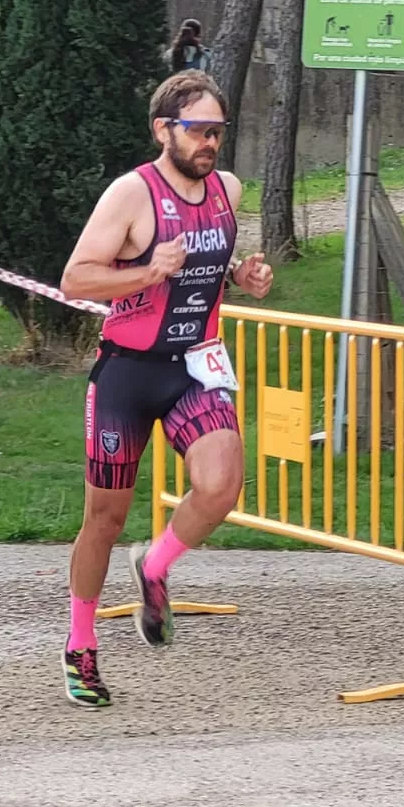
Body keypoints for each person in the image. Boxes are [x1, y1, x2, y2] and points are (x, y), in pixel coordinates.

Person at [56, 71, 273, 708]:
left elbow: (211, 265)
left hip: (194, 366)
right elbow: (75, 278)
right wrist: (149, 270)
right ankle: (80, 644)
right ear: (162, 130)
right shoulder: (132, 194)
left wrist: (242, 274)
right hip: (127, 371)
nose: (210, 143)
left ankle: (154, 566)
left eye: (217, 132)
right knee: (106, 517)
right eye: (198, 130)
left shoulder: (228, 190)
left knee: (220, 487)